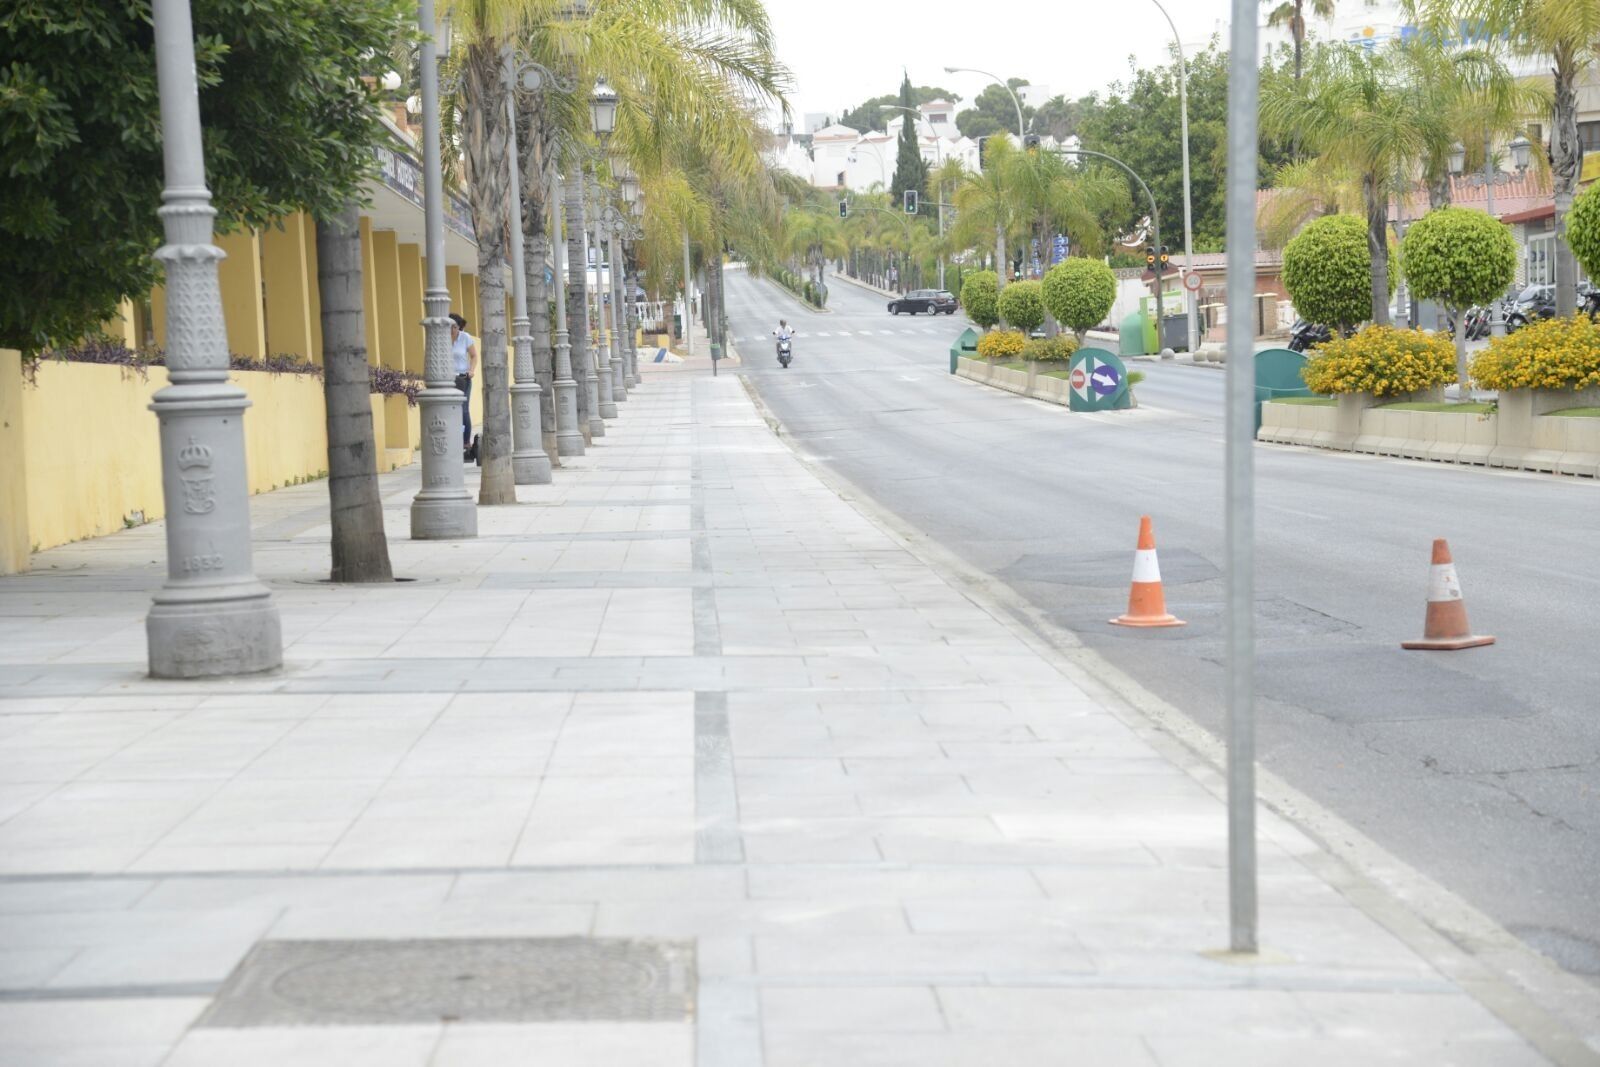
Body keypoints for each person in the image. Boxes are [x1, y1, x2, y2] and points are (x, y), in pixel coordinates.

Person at [450, 313, 478, 462]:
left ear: (459, 326)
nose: (451, 329)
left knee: (463, 409)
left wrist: (471, 371)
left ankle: (466, 442)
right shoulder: (441, 338)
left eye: (454, 326)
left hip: (463, 378)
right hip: (447, 379)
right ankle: (452, 439)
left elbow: (474, 356)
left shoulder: (465, 337)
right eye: (449, 326)